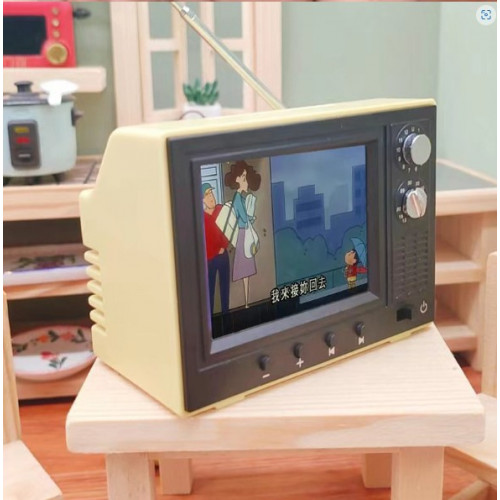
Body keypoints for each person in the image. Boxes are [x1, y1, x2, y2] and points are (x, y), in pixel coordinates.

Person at [224, 161, 261, 308]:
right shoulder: (238, 198)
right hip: (243, 234)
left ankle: (246, 302)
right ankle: (245, 303)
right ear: (237, 179)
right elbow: (244, 218)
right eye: (244, 177)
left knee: (246, 271)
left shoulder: (242, 197)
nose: (246, 181)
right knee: (244, 269)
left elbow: (247, 218)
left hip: (245, 232)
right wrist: (250, 215)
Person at [202, 183, 230, 315]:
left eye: (211, 193)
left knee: (225, 288)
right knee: (210, 289)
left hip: (223, 256)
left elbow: (229, 230)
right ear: (202, 200)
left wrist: (223, 246)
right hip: (209, 259)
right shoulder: (201, 217)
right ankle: (210, 318)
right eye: (207, 195)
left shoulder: (221, 210)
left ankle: (226, 314)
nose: (211, 197)